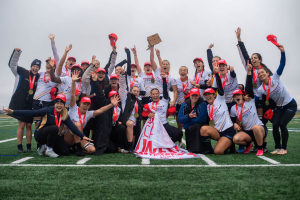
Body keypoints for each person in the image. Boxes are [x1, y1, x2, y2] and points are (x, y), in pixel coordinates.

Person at [3, 94, 93, 158]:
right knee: (54, 128)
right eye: (57, 103)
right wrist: (13, 111)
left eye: (61, 103)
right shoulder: (48, 110)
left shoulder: (64, 114)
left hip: (53, 135)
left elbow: (72, 127)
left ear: (64, 105)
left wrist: (83, 136)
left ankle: (45, 147)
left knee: (65, 151)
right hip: (41, 135)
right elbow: (31, 113)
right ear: (55, 104)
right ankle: (48, 149)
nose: (59, 105)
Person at [64, 69, 120, 156]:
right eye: (84, 104)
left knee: (92, 150)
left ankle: (76, 148)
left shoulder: (88, 113)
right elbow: (72, 95)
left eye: (87, 104)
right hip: (69, 136)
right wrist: (73, 82)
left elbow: (101, 110)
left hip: (79, 137)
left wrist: (112, 105)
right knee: (77, 125)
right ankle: (78, 149)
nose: (85, 106)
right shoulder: (73, 108)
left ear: (89, 106)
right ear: (80, 104)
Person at [235, 27, 273, 152]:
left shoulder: (265, 71)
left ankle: (263, 145)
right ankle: (254, 143)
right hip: (250, 98)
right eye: (252, 58)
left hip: (262, 99)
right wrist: (239, 39)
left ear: (260, 60)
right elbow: (244, 54)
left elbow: (271, 85)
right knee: (250, 121)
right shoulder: (249, 67)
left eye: (256, 57)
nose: (253, 59)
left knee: (261, 122)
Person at [256, 44, 297, 155]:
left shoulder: (275, 77)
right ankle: (277, 148)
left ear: (267, 73)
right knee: (275, 125)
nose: (261, 74)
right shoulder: (261, 89)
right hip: (279, 107)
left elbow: (282, 64)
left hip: (290, 104)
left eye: (262, 72)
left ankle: (284, 148)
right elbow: (255, 100)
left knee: (282, 124)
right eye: (259, 74)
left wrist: (282, 52)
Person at [231, 62, 268, 156]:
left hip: (259, 128)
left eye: (238, 95)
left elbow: (249, 86)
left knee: (256, 127)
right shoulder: (233, 108)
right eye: (235, 96)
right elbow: (232, 119)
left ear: (243, 96)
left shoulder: (250, 101)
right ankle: (248, 145)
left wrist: (249, 72)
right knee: (236, 139)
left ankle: (260, 148)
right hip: (248, 132)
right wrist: (235, 124)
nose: (237, 97)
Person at [8, 48, 41, 153]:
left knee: (29, 126)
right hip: (20, 103)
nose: (35, 68)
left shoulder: (39, 77)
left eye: (37, 67)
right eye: (34, 66)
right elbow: (12, 64)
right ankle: (19, 147)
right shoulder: (21, 72)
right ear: (31, 66)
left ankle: (29, 147)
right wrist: (17, 53)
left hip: (30, 104)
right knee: (21, 125)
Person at [200, 71, 237, 155]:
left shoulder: (220, 99)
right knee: (203, 129)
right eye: (206, 95)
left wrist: (217, 74)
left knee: (218, 151)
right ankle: (209, 149)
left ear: (214, 95)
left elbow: (220, 88)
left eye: (210, 94)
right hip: (218, 131)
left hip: (228, 131)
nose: (207, 96)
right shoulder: (208, 106)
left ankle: (230, 144)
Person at [142, 73, 183, 144]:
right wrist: (147, 115)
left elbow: (165, 90)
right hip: (153, 127)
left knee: (179, 133)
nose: (155, 95)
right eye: (153, 94)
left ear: (159, 94)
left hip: (164, 125)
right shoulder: (148, 105)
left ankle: (169, 143)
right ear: (151, 95)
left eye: (156, 93)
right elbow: (143, 115)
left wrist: (164, 79)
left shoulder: (164, 101)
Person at [119, 51, 143, 153]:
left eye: (137, 91)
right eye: (134, 91)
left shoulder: (139, 101)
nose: (136, 93)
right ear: (130, 91)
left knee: (136, 143)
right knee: (129, 124)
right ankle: (129, 146)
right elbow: (123, 86)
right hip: (127, 122)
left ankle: (131, 145)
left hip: (136, 122)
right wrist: (122, 75)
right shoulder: (126, 98)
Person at [131, 45, 156, 125]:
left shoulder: (155, 75)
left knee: (152, 118)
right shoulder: (141, 75)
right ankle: (143, 134)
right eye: (146, 66)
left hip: (151, 98)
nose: (148, 67)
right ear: (144, 68)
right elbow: (137, 65)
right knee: (143, 118)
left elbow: (152, 59)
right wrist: (135, 54)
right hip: (142, 98)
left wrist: (152, 49)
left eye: (149, 66)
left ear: (152, 68)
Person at [178, 88, 207, 153]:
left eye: (196, 95)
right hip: (189, 129)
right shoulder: (184, 104)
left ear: (199, 96)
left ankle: (202, 147)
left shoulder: (203, 104)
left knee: (197, 126)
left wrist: (187, 123)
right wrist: (188, 116)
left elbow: (202, 119)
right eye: (192, 95)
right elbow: (180, 119)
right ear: (190, 95)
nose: (194, 97)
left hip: (200, 128)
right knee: (189, 148)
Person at [32, 58, 58, 128]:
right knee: (37, 122)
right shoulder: (40, 74)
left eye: (50, 63)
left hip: (48, 102)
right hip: (36, 100)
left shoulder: (56, 75)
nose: (48, 65)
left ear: (54, 66)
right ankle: (38, 136)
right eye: (47, 63)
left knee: (46, 122)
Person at [175, 66, 193, 131]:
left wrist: (191, 91)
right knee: (179, 123)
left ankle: (190, 138)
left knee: (188, 123)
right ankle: (179, 139)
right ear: (179, 73)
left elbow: (196, 90)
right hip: (179, 104)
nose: (183, 71)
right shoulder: (176, 81)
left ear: (187, 72)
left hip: (188, 104)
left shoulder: (191, 81)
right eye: (181, 70)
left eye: (184, 70)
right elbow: (174, 91)